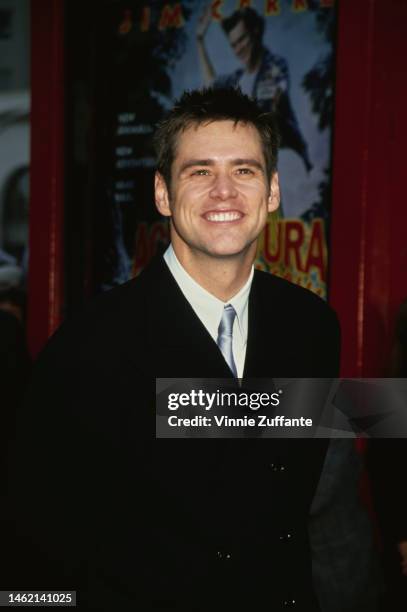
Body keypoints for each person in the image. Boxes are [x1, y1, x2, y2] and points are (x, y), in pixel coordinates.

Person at [7, 88, 377, 611]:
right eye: (199, 171)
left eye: (244, 171)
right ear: (162, 193)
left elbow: (312, 497)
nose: (224, 191)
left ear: (272, 190)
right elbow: (31, 547)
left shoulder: (312, 326)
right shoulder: (89, 346)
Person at [197, 6, 313, 172]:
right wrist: (200, 41)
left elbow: (268, 112)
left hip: (286, 159)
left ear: (256, 32)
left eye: (242, 39)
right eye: (234, 45)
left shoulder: (274, 66)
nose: (239, 49)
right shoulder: (236, 79)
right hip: (256, 164)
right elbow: (210, 87)